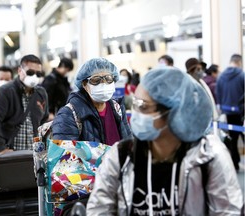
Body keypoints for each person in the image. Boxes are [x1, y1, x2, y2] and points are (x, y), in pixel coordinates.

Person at [86, 67, 243, 216]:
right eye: (135, 104)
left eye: (143, 106)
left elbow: (227, 210)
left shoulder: (209, 156)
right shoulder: (121, 155)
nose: (136, 113)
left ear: (174, 111)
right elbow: (99, 208)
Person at [52, 57, 132, 145]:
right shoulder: (68, 115)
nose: (103, 84)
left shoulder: (118, 109)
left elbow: (128, 144)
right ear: (84, 84)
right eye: (96, 80)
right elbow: (64, 155)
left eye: (108, 78)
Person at [0, 55, 49, 155]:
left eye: (38, 74)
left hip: (32, 156)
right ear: (20, 71)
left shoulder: (41, 94)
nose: (34, 76)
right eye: (30, 72)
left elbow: (43, 122)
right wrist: (1, 149)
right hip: (8, 154)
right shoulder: (5, 92)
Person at [216, 54, 245, 171]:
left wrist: (221, 109)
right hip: (242, 113)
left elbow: (218, 95)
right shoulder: (242, 75)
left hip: (227, 113)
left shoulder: (221, 76)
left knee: (232, 140)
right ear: (239, 62)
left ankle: (235, 164)